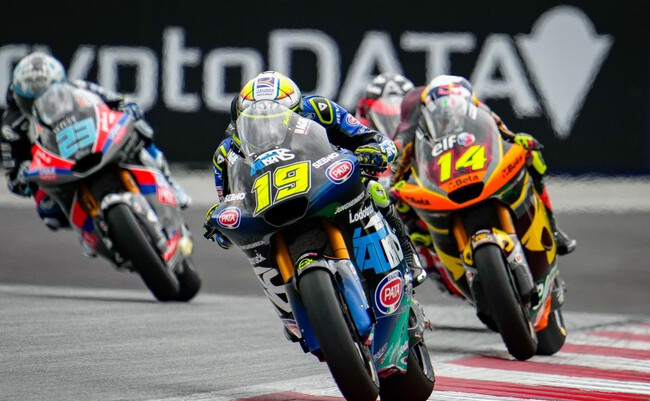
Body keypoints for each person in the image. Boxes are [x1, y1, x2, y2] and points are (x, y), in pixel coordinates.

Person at [204, 70, 427, 287]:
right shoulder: (226, 153)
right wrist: (219, 223)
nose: (268, 128)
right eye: (256, 120)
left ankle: (408, 254)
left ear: (297, 110)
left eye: (276, 118)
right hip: (268, 206)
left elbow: (375, 139)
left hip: (323, 179)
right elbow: (229, 203)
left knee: (372, 188)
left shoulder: (321, 109)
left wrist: (376, 151)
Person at [1, 51, 191, 234]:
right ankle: (91, 234)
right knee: (50, 214)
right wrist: (24, 175)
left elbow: (119, 101)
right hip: (56, 167)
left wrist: (127, 108)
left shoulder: (78, 88)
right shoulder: (11, 128)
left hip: (94, 142)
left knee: (138, 128)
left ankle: (169, 182)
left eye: (48, 95)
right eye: (30, 101)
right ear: (18, 98)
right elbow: (13, 180)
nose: (41, 105)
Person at [391, 74, 577, 256]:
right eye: (443, 114)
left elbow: (502, 132)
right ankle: (427, 240)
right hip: (436, 169)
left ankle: (553, 227)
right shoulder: (414, 119)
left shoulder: (479, 108)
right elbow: (400, 151)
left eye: (457, 110)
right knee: (400, 202)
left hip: (474, 162)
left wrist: (518, 141)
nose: (451, 118)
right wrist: (395, 184)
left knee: (532, 155)